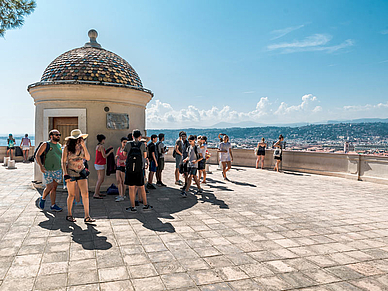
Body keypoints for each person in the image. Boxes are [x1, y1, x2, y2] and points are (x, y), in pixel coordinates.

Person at [62, 129, 94, 223]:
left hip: (81, 171)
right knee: (71, 195)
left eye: (80, 138)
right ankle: (69, 214)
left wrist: (84, 146)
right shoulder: (67, 148)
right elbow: (63, 162)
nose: (80, 140)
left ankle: (87, 216)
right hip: (70, 172)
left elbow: (87, 158)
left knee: (85, 194)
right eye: (78, 138)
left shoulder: (81, 147)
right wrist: (65, 174)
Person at [123, 129, 153, 212]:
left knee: (131, 188)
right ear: (140, 136)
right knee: (142, 187)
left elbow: (124, 154)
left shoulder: (128, 144)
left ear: (132, 136)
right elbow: (144, 156)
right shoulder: (142, 144)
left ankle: (133, 207)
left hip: (129, 169)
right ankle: (145, 204)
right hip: (139, 169)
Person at [37, 129, 63, 212]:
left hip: (58, 169)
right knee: (49, 187)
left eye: (59, 134)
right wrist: (41, 166)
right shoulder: (46, 144)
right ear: (51, 136)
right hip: (48, 170)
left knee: (54, 188)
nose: (58, 136)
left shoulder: (59, 146)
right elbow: (37, 155)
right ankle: (43, 198)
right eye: (56, 135)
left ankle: (53, 205)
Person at [94, 134, 114, 199]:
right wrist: (110, 152)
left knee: (99, 179)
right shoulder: (101, 146)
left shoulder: (97, 146)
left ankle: (97, 192)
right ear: (102, 140)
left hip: (97, 164)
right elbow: (104, 156)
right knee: (100, 179)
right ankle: (96, 193)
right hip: (100, 164)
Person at [115, 137, 128, 202]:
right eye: (124, 142)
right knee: (118, 180)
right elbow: (117, 155)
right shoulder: (119, 148)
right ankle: (120, 194)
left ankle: (122, 194)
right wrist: (116, 157)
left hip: (124, 166)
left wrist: (122, 161)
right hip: (118, 166)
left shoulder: (127, 150)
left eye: (126, 142)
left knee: (123, 181)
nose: (125, 144)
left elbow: (128, 159)